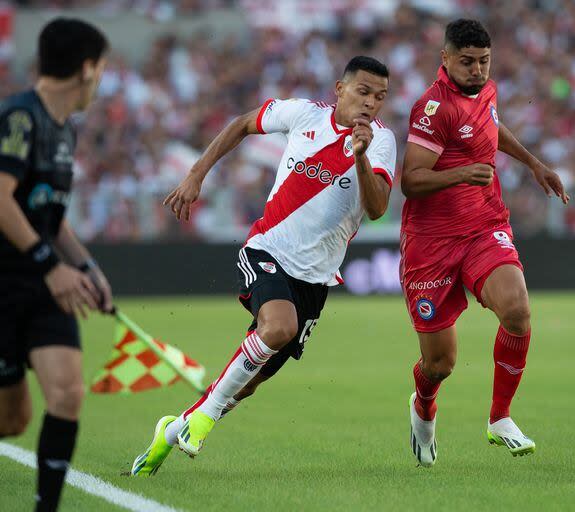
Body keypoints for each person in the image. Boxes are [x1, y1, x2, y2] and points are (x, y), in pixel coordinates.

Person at [131, 56, 396, 475]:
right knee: (278, 327)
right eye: (363, 92)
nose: (370, 103)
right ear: (340, 89)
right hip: (267, 249)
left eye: (379, 97)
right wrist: (197, 173)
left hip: (316, 277)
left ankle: (173, 429)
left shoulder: (382, 142)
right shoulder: (303, 114)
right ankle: (202, 420)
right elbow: (240, 123)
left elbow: (378, 208)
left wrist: (361, 156)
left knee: (248, 383)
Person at [400, 19, 569, 467]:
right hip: (430, 243)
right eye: (467, 61)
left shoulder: (486, 91)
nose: (477, 70)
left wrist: (534, 163)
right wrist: (461, 173)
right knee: (440, 364)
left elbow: (491, 129)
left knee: (516, 310)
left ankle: (500, 417)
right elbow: (411, 181)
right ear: (446, 59)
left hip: (482, 226)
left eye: (483, 61)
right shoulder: (431, 108)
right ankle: (423, 405)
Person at [0, 18, 112, 511]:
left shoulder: (64, 129)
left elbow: (52, 218)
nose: (101, 80)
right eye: (102, 68)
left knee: (67, 393)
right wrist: (51, 266)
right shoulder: (19, 119)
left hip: (47, 284)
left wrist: (86, 267)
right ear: (87, 68)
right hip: (5, 284)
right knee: (12, 421)